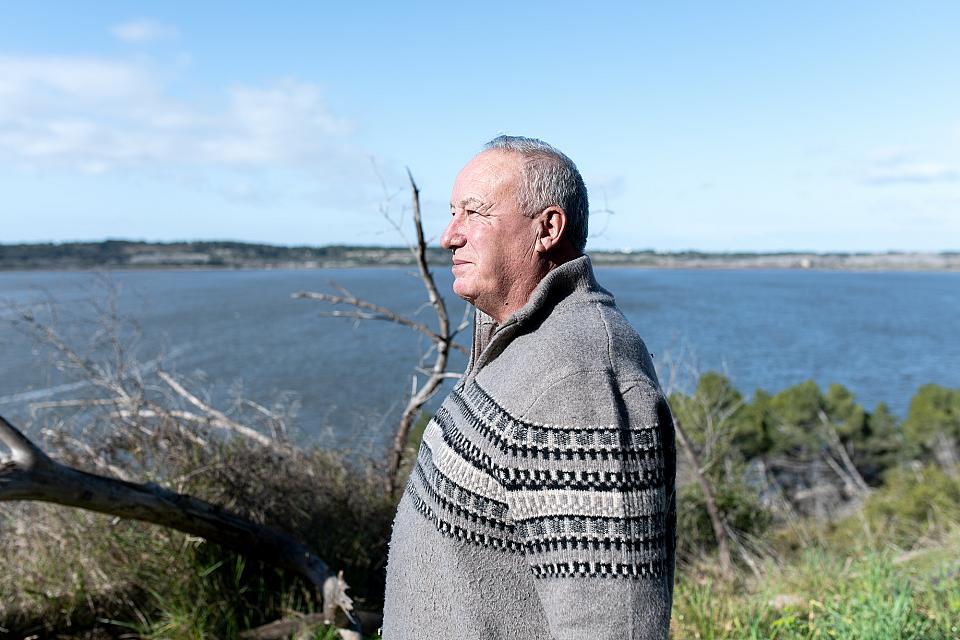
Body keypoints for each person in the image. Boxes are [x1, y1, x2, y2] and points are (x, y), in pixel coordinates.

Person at [382, 136, 676, 639]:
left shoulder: (582, 379)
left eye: (474, 213)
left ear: (548, 228)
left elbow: (615, 626)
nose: (450, 235)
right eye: (453, 212)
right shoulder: (524, 344)